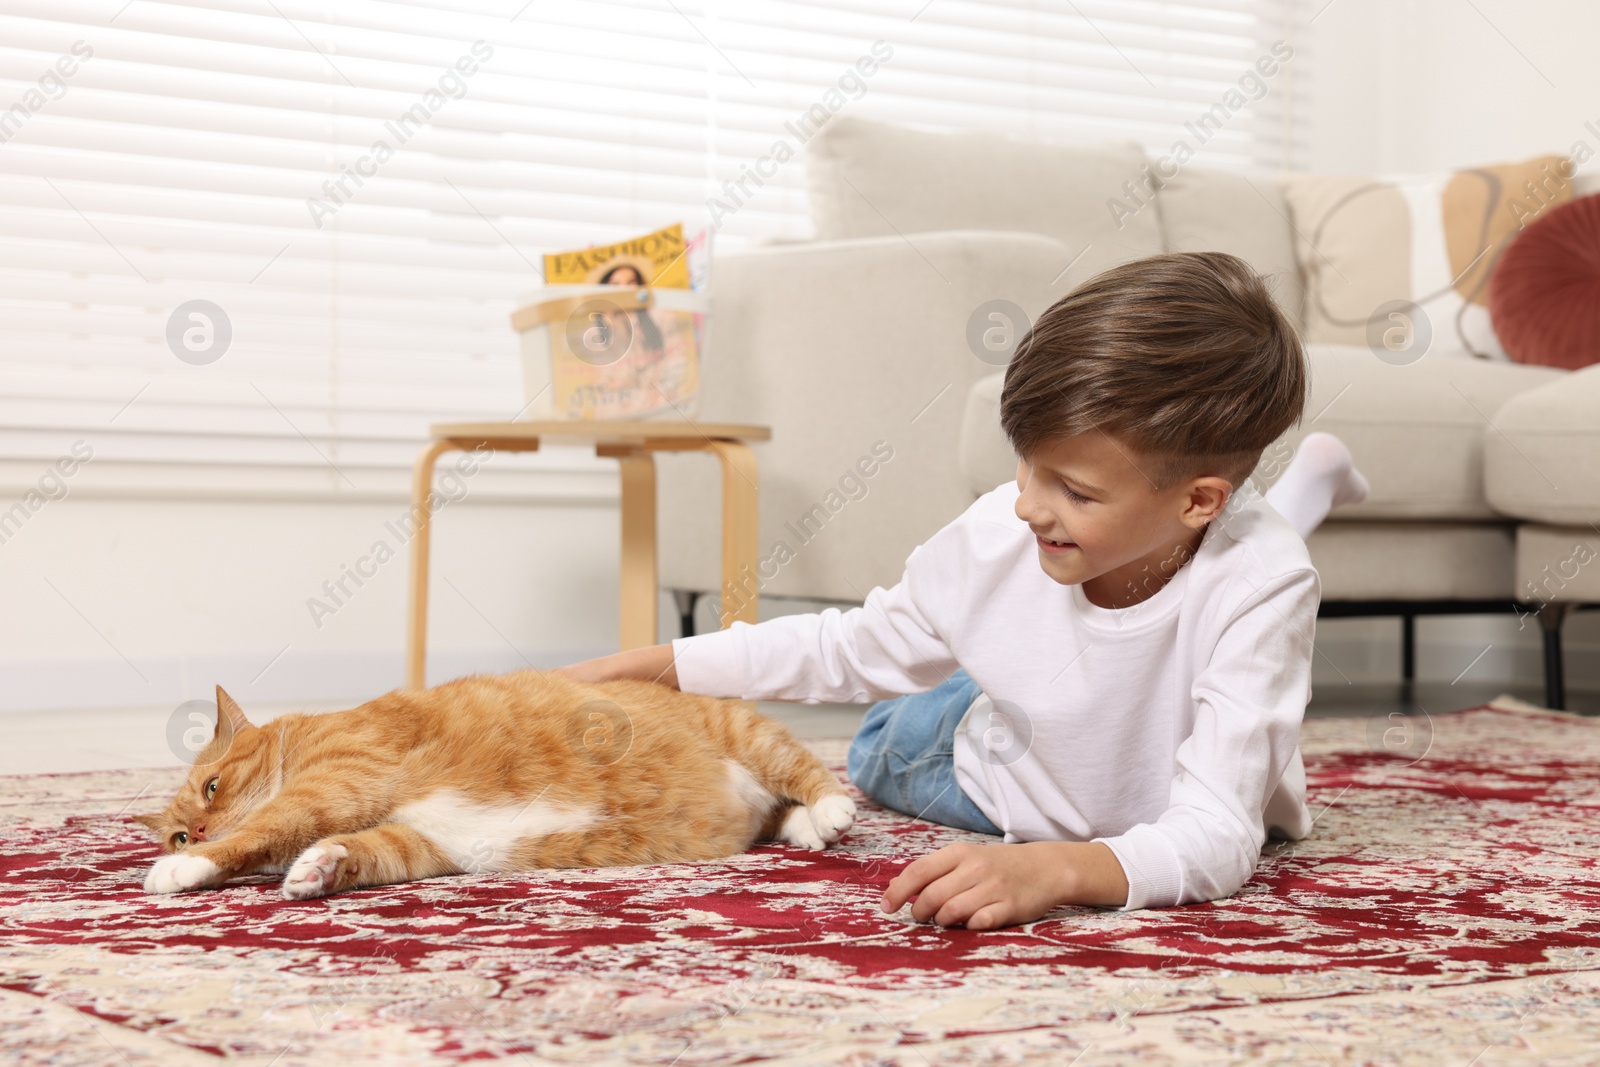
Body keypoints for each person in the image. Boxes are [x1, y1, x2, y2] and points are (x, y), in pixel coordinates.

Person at [559, 252, 1370, 930]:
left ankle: (1292, 500)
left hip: (1124, 659)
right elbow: (855, 650)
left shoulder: (1264, 582)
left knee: (883, 745)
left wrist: (1054, 869)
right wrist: (656, 661)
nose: (1026, 503)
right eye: (1025, 464)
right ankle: (1299, 493)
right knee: (899, 716)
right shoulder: (1003, 531)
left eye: (1075, 492)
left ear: (1199, 499)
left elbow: (1218, 835)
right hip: (1000, 755)